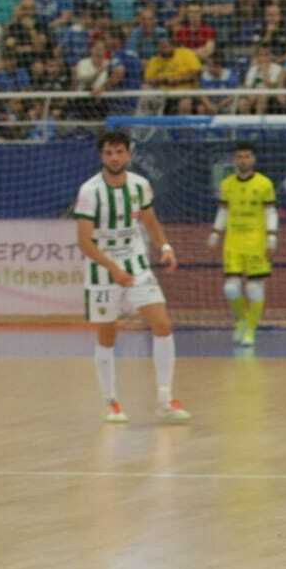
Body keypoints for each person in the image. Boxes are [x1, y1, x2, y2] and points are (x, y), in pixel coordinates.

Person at [74, 130, 190, 424]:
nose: (114, 157)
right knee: (107, 334)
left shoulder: (140, 186)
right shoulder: (90, 191)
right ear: (102, 156)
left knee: (163, 325)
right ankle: (111, 401)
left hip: (137, 265)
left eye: (119, 152)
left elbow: (150, 220)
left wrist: (165, 247)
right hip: (102, 269)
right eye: (109, 153)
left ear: (129, 154)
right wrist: (113, 268)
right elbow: (85, 241)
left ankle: (165, 397)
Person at [208, 143, 278, 347]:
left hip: (256, 242)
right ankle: (241, 321)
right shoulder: (227, 184)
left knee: (255, 288)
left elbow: (270, 212)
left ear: (253, 159)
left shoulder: (264, 184)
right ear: (234, 160)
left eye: (247, 156)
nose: (243, 160)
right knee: (230, 288)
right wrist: (215, 232)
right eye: (239, 156)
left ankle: (251, 330)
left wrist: (272, 237)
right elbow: (223, 210)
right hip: (233, 242)